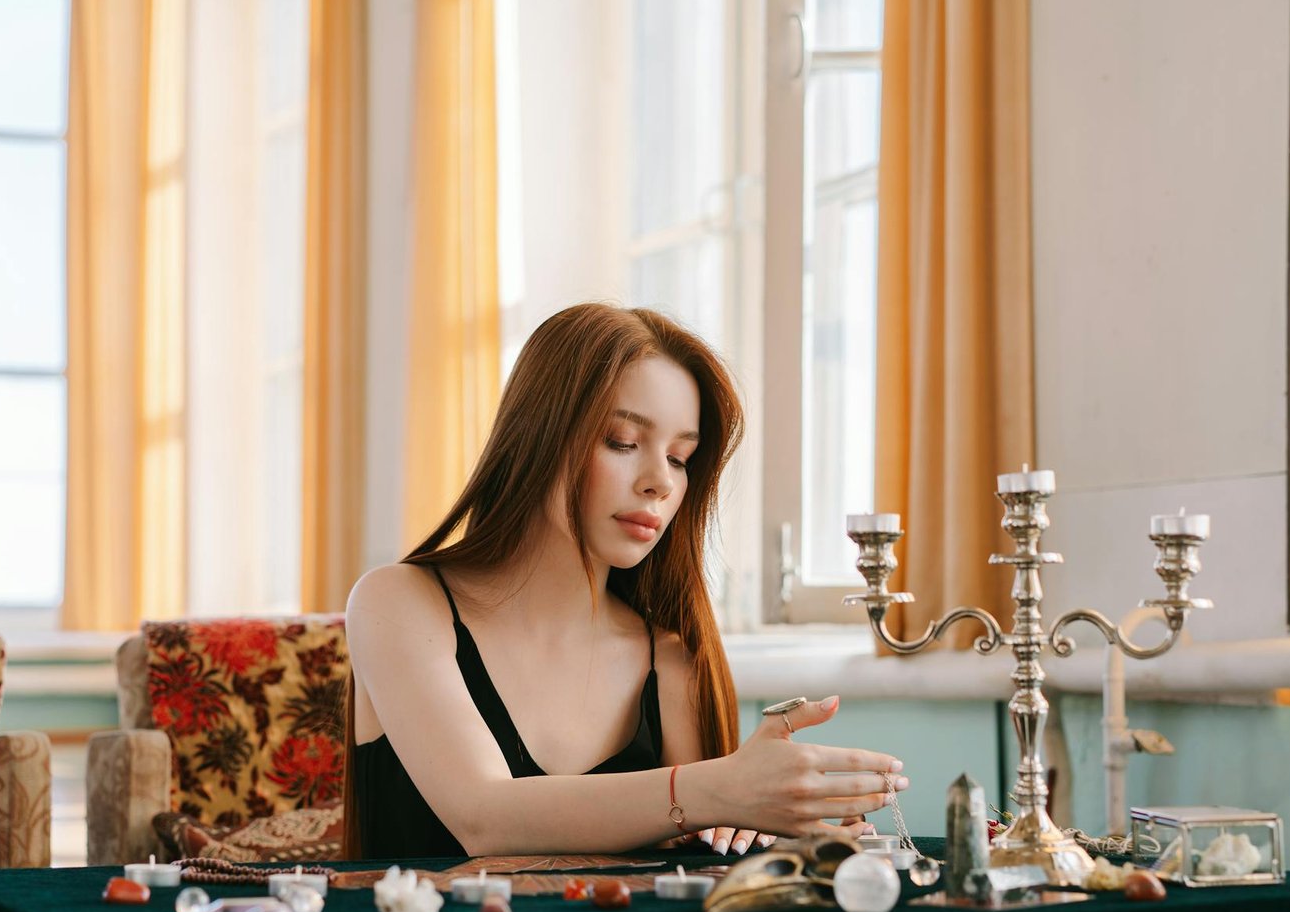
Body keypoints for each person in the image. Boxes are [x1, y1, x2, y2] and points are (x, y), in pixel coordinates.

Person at [342, 303, 907, 859]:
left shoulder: (671, 660)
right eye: (621, 441)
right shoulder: (399, 604)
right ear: (536, 435)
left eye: (681, 457)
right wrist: (722, 789)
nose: (660, 481)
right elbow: (483, 818)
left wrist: (771, 825)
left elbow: (693, 863)